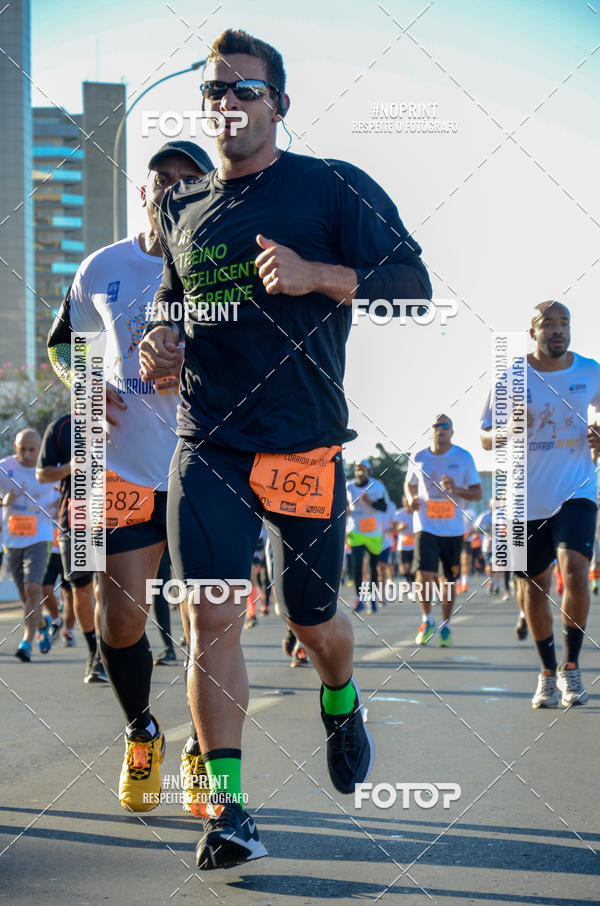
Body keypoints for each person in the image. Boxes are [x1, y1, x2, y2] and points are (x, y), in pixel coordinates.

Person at [138, 28, 431, 869]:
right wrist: (162, 344)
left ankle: (341, 696)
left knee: (314, 619)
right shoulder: (183, 209)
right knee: (211, 619)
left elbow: (413, 288)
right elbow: (170, 304)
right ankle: (226, 813)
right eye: (214, 93)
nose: (227, 105)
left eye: (244, 91)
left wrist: (317, 275)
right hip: (211, 444)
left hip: (303, 444)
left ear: (281, 105)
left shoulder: (330, 188)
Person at [48, 141, 213, 809]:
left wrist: (196, 370)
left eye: (188, 181)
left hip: (204, 463)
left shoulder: (220, 269)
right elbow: (65, 344)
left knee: (209, 619)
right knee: (121, 619)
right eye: (162, 179)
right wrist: (87, 389)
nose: (173, 189)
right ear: (142, 191)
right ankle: (143, 733)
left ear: (205, 194)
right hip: (121, 469)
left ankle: (207, 749)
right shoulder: (102, 266)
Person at [481, 300, 600, 708]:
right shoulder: (513, 375)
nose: (557, 330)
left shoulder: (590, 370)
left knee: (576, 570)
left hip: (577, 489)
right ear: (533, 332)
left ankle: (571, 668)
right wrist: (509, 429)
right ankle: (547, 673)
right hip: (522, 498)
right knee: (533, 587)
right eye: (547, 323)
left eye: (563, 322)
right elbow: (484, 436)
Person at [37, 413, 108, 683]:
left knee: (107, 590)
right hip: (76, 517)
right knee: (82, 588)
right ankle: (95, 654)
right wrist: (71, 466)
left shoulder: (122, 416)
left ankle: (111, 649)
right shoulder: (62, 426)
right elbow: (42, 473)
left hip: (115, 514)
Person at [405, 415, 482, 647]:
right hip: (426, 525)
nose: (440, 429)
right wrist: (411, 499)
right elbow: (409, 483)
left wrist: (456, 488)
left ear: (452, 431)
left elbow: (477, 493)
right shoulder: (419, 456)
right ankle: (427, 619)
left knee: (448, 581)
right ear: (432, 430)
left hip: (453, 529)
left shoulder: (463, 457)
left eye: (445, 425)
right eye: (436, 425)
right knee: (424, 574)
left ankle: (445, 625)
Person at [0, 429, 57, 662]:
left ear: (39, 448)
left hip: (40, 535)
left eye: (32, 449)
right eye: (22, 449)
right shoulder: (4, 467)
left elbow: (67, 491)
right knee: (25, 595)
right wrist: (3, 502)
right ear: (15, 447)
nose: (26, 454)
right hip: (12, 538)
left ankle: (26, 642)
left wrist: (59, 507)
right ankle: (43, 623)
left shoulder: (50, 467)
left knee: (34, 587)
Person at [346, 461, 390, 613]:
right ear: (355, 471)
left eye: (364, 470)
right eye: (358, 470)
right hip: (356, 531)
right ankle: (360, 598)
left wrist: (370, 502)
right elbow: (340, 504)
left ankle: (372, 599)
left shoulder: (377, 486)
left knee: (373, 568)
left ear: (368, 472)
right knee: (357, 565)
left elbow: (384, 507)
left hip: (373, 533)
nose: (361, 473)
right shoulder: (348, 487)